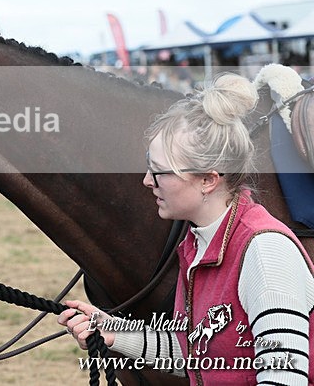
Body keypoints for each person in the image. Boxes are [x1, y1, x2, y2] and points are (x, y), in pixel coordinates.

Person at [58, 73, 314, 385]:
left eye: (160, 172)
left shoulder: (264, 253)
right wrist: (114, 332)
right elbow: (197, 353)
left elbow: (285, 380)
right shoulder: (198, 243)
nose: (147, 181)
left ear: (208, 179)